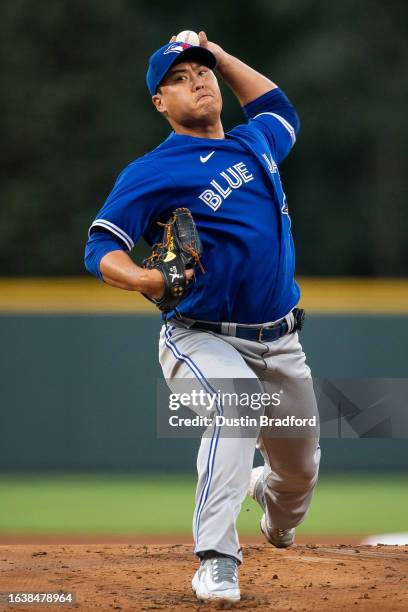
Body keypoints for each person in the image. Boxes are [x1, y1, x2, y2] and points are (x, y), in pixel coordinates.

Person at [84, 31, 321, 604]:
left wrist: (218, 54)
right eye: (179, 78)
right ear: (160, 104)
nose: (197, 81)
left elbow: (279, 108)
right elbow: (100, 247)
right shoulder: (154, 170)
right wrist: (143, 277)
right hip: (202, 336)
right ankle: (216, 558)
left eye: (201, 73)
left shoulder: (255, 141)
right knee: (234, 405)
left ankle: (271, 502)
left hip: (282, 340)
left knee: (300, 473)